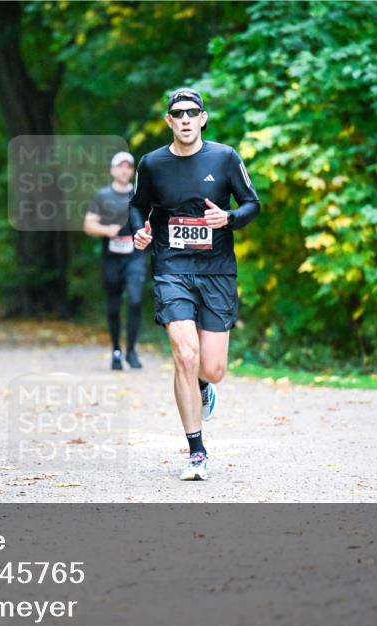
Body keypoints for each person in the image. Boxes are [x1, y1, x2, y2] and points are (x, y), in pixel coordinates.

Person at [131, 87, 261, 481]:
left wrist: (230, 219)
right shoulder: (152, 164)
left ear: (203, 118)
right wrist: (139, 231)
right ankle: (197, 451)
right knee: (184, 356)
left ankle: (205, 387)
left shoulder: (224, 158)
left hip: (217, 270)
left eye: (192, 112)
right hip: (171, 267)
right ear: (169, 121)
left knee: (213, 368)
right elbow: (137, 205)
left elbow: (252, 203)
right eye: (178, 113)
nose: (185, 119)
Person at [84, 151, 147, 370]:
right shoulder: (102, 196)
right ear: (112, 170)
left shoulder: (140, 195)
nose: (124, 170)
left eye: (128, 166)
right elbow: (88, 225)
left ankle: (131, 350)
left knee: (135, 300)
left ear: (132, 171)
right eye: (120, 166)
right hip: (111, 257)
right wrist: (106, 229)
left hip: (135, 256)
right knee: (113, 305)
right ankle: (116, 351)